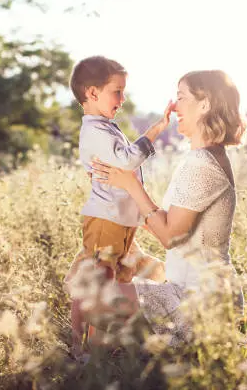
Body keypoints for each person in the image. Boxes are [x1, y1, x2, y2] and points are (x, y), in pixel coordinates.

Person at [83, 69, 247, 347]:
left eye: (181, 98)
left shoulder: (203, 165)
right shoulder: (204, 158)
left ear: (205, 105)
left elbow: (170, 236)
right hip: (195, 290)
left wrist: (132, 185)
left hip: (198, 301)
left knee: (94, 302)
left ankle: (89, 368)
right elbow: (171, 224)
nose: (174, 106)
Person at [64, 55, 171, 354]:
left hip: (119, 222)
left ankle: (98, 345)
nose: (122, 99)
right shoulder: (96, 131)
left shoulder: (105, 127)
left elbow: (125, 178)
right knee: (99, 283)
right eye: (117, 91)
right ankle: (82, 348)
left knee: (112, 280)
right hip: (106, 221)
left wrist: (143, 219)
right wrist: (155, 131)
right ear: (92, 93)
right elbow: (126, 161)